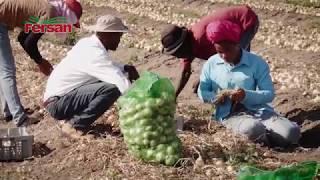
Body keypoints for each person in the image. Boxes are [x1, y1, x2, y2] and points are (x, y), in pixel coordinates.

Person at [197, 20, 300, 147]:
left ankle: (268, 137)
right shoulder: (211, 64)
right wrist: (215, 98)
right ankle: (267, 140)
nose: (224, 55)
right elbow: (202, 91)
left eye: (228, 50)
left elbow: (269, 94)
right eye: (219, 51)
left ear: (237, 44)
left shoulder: (256, 63)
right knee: (253, 128)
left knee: (291, 133)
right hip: (230, 115)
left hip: (259, 111)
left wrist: (246, 95)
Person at [43, 15, 139, 137]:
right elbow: (118, 81)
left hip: (60, 99)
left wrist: (125, 67)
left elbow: (109, 66)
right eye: (118, 36)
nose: (119, 41)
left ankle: (72, 120)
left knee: (106, 83)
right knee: (112, 88)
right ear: (108, 35)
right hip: (57, 103)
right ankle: (74, 126)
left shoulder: (89, 44)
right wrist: (140, 100)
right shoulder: (94, 53)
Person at [0, 0, 83, 126]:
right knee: (7, 72)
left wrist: (39, 61)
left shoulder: (44, 9)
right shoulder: (50, 13)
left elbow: (23, 38)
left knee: (4, 70)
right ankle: (20, 118)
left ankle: (10, 112)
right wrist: (40, 62)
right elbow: (29, 42)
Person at [160, 5, 259, 98]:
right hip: (233, 28)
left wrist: (203, 79)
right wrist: (174, 96)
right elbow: (185, 72)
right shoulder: (187, 47)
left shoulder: (201, 37)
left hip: (245, 21)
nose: (177, 56)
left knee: (234, 61)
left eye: (177, 52)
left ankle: (246, 98)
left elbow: (223, 58)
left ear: (183, 45)